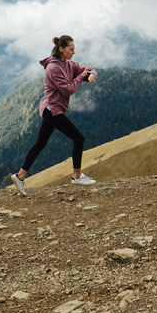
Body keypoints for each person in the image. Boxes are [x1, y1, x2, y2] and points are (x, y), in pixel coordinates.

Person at [11, 35, 97, 195]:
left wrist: (91, 74)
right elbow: (68, 89)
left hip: (53, 109)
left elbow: (87, 69)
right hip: (53, 111)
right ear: (61, 49)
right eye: (71, 49)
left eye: (74, 48)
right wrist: (81, 76)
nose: (74, 52)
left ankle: (20, 176)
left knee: (40, 143)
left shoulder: (69, 64)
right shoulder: (53, 68)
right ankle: (77, 176)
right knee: (79, 138)